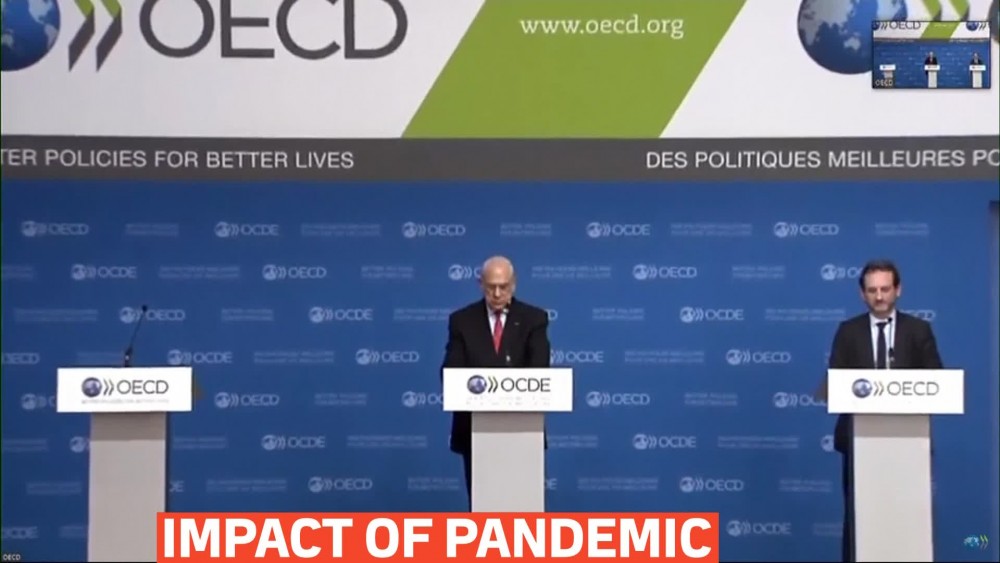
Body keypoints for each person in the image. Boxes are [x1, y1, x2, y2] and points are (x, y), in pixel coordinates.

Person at [824, 259, 943, 562]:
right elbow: (835, 381)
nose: (879, 296)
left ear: (898, 290)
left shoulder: (918, 330)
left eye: (885, 289)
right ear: (862, 294)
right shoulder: (848, 331)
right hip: (859, 442)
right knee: (860, 519)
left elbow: (937, 381)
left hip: (909, 443)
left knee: (908, 517)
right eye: (872, 290)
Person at [440, 255, 551, 509]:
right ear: (481, 284)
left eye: (503, 286)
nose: (497, 294)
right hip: (475, 429)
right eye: (491, 287)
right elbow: (451, 371)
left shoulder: (534, 319)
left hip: (523, 430)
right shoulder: (462, 320)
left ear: (514, 283)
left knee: (522, 506)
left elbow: (539, 370)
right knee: (484, 504)